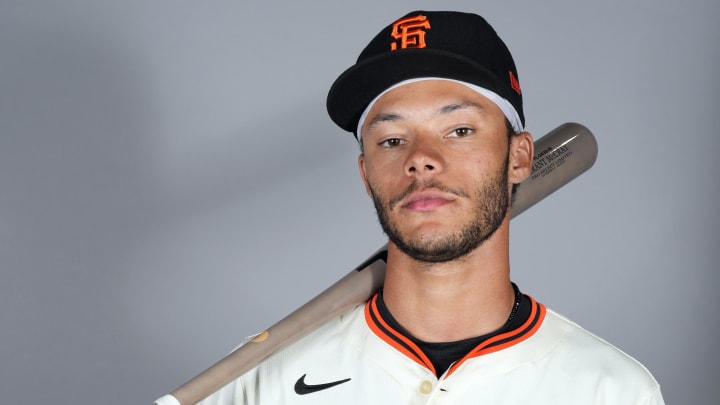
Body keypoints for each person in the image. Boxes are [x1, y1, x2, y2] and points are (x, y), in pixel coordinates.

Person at [198, 10, 664, 404]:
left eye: (459, 130)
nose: (420, 158)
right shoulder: (259, 381)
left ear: (519, 156)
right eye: (392, 139)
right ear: (366, 174)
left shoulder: (609, 390)